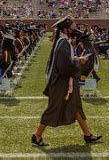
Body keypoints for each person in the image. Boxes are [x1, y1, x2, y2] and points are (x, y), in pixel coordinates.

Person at [32, 16, 102, 147]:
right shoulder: (63, 43)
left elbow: (65, 60)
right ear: (65, 29)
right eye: (73, 28)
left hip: (67, 81)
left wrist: (75, 59)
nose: (75, 30)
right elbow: (64, 65)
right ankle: (37, 135)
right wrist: (78, 62)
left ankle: (87, 134)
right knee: (54, 108)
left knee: (76, 106)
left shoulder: (64, 42)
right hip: (62, 83)